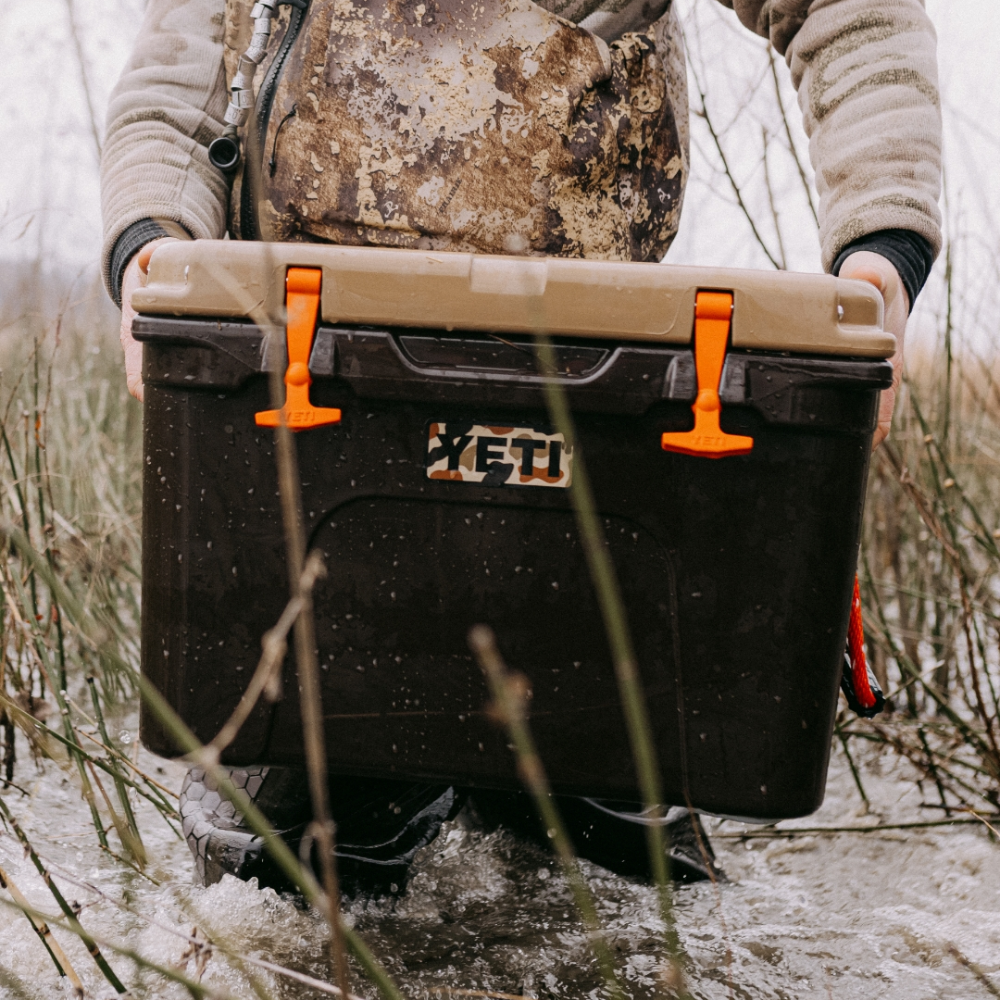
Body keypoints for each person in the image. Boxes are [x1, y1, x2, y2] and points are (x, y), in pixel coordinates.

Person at [101, 0, 941, 891]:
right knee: (283, 890)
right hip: (313, 406)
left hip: (597, 415)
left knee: (632, 897)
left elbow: (851, 12)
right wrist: (152, 239)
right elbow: (181, 76)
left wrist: (882, 239)